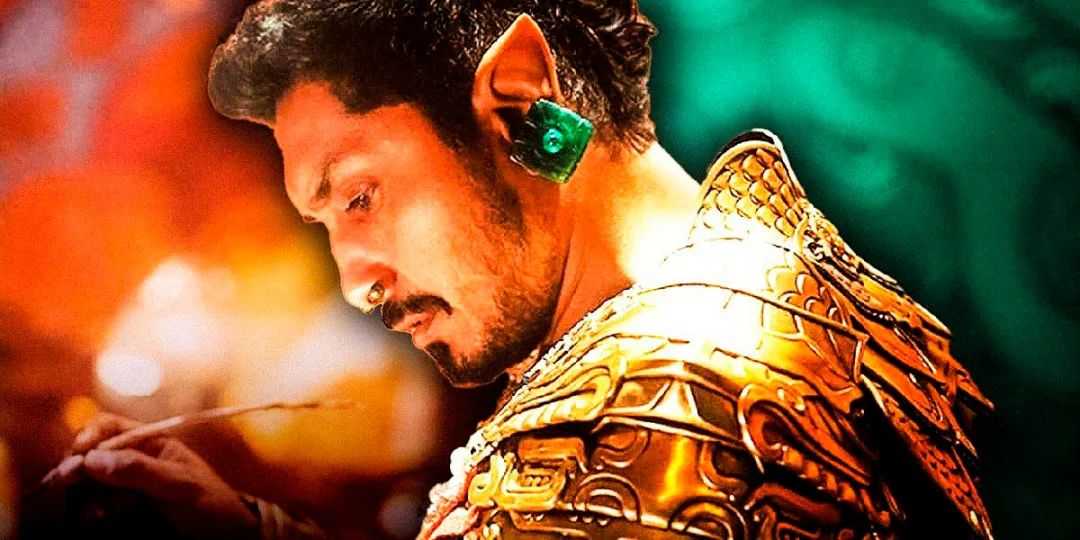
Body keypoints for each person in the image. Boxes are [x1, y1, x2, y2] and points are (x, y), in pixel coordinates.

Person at [42, 1, 995, 538]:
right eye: (325, 223)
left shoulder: (663, 402)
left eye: (360, 196)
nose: (356, 282)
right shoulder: (763, 263)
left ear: (518, 95)